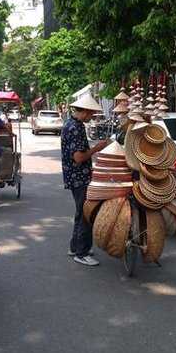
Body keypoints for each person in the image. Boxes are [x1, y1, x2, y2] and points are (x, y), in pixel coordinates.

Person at [61, 95, 109, 267]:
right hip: (78, 176)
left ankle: (75, 247)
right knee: (86, 213)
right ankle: (81, 252)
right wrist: (97, 148)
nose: (92, 117)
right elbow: (79, 157)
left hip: (77, 175)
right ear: (86, 111)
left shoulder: (73, 124)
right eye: (92, 114)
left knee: (81, 212)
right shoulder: (75, 127)